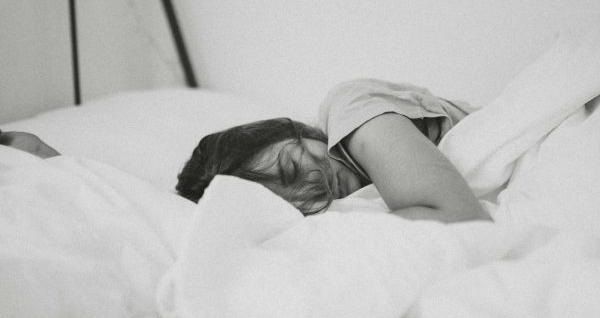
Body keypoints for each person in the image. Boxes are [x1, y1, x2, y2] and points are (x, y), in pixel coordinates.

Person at [177, 79, 490, 222]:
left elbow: (461, 218)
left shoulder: (351, 109)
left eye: (292, 170)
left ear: (293, 131)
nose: (314, 188)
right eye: (293, 204)